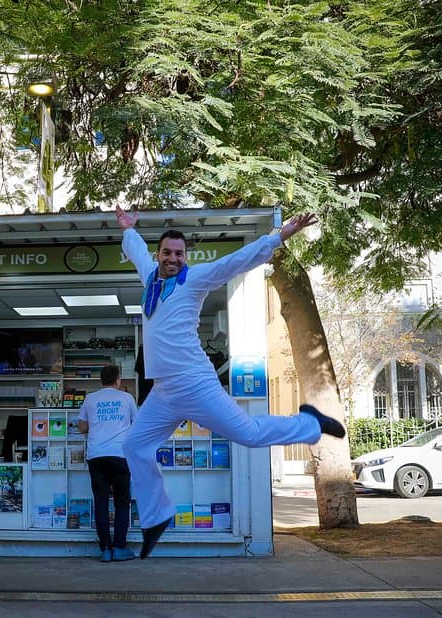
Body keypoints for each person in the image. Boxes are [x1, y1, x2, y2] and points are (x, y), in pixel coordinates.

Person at [115, 205, 345, 559]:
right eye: (167, 253)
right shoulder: (150, 280)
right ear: (159, 254)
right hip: (163, 392)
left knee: (249, 434)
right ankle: (157, 515)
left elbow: (236, 261)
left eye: (178, 254)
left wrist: (278, 237)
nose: (172, 258)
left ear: (185, 257)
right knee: (133, 447)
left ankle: (309, 423)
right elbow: (136, 253)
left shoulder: (194, 279)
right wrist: (128, 228)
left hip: (194, 383)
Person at [78, 364, 138, 562]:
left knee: (101, 503)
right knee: (122, 502)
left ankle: (105, 549)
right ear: (118, 380)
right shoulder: (127, 398)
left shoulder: (90, 398)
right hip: (120, 455)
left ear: (101, 380)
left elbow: (82, 427)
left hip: (96, 456)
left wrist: (98, 424)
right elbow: (135, 426)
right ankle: (119, 547)